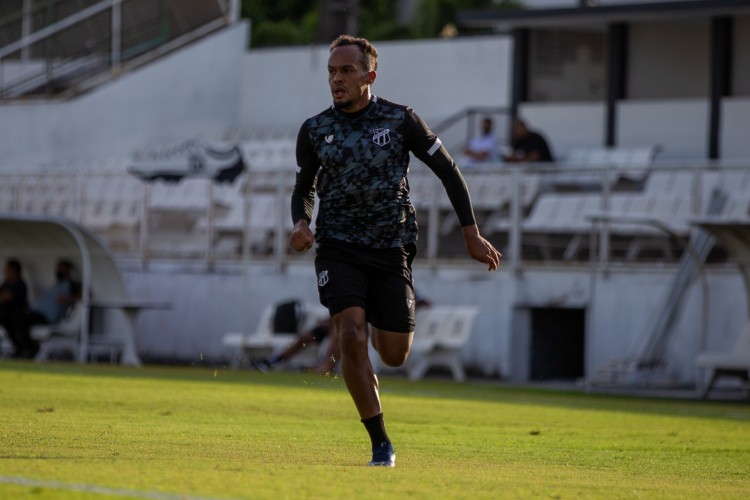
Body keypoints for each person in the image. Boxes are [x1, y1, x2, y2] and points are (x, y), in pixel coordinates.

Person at [289, 34, 501, 467]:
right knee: (349, 332)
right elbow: (303, 187)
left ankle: (379, 370)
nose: (337, 79)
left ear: (370, 74)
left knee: (394, 355)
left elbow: (450, 172)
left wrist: (471, 233)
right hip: (338, 247)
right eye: (331, 72)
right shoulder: (315, 130)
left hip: (391, 248)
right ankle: (380, 442)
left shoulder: (400, 120)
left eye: (346, 71)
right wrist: (301, 222)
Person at [251, 317, 339, 374]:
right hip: (333, 322)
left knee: (337, 332)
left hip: (343, 326)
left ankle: (327, 367)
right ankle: (274, 361)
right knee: (304, 338)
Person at [0, 259, 30, 358]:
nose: (5, 271)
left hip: (16, 315)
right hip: (5, 314)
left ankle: (23, 348)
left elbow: (7, 297)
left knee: (11, 323)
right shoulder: (6, 283)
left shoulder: (20, 284)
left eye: (7, 269)